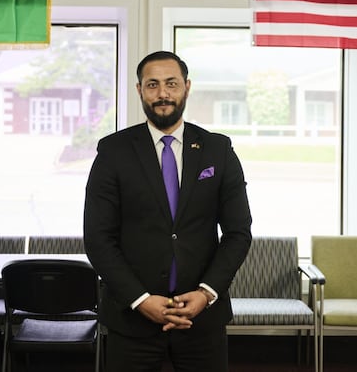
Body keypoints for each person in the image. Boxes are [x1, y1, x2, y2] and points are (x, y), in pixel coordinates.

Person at [84, 50, 252, 372]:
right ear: (139, 90)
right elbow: (98, 238)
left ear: (187, 87)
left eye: (172, 84)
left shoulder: (219, 149)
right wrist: (140, 299)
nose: (163, 94)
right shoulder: (112, 152)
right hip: (131, 319)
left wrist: (206, 293)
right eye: (153, 85)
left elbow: (238, 233)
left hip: (202, 319)